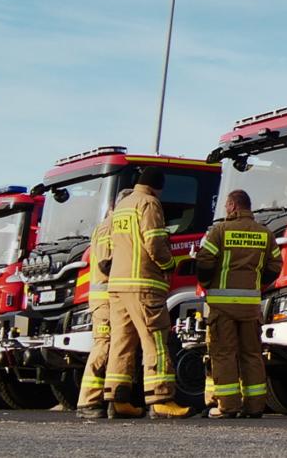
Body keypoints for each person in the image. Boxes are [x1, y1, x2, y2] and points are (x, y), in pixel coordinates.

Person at [104, 168, 193, 418]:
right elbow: (153, 242)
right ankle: (161, 399)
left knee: (122, 342)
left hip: (117, 286)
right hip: (143, 284)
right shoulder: (149, 203)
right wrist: (168, 265)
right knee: (156, 341)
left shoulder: (122, 207)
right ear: (158, 186)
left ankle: (117, 400)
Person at [194, 189, 282, 419]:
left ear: (233, 205)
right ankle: (254, 407)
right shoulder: (265, 234)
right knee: (252, 354)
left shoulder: (219, 231)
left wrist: (207, 283)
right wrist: (256, 284)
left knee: (223, 354)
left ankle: (228, 406)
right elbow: (275, 266)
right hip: (251, 307)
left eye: (226, 205)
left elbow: (204, 261)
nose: (225, 208)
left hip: (222, 306)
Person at [75, 198, 122, 419]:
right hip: (105, 299)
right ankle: (88, 401)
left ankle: (98, 398)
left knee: (109, 346)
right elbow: (106, 262)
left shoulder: (104, 225)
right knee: (103, 346)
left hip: (105, 297)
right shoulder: (109, 227)